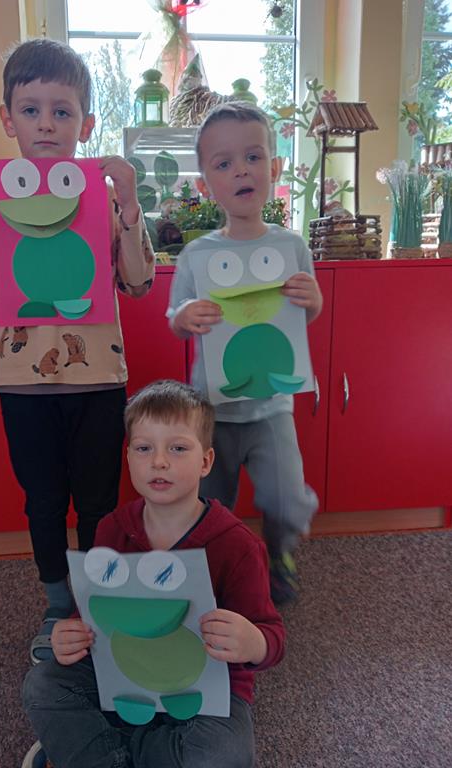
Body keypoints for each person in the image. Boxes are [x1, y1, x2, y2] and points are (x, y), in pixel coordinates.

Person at [0, 38, 155, 662]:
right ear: (8, 119)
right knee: (43, 500)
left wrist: (130, 205)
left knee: (98, 501)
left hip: (98, 381)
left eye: (62, 111)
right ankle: (59, 604)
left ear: (86, 124)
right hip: (22, 384)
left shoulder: (101, 195)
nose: (46, 124)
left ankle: (97, 600)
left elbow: (138, 282)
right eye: (31, 110)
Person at [22, 379, 285, 768]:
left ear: (206, 461)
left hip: (204, 693)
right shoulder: (112, 529)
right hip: (124, 675)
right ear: (128, 458)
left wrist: (253, 643)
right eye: (144, 448)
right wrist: (71, 634)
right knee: (43, 684)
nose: (159, 461)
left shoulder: (238, 545)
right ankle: (125, 749)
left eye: (177, 448)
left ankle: (106, 749)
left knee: (224, 755)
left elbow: (272, 637)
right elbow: (93, 614)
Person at [167, 102, 322, 605]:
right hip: (211, 412)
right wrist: (186, 315)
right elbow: (175, 318)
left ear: (274, 168)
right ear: (205, 183)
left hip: (272, 407)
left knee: (287, 499)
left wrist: (313, 300)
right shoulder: (198, 255)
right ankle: (222, 571)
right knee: (213, 504)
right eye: (224, 163)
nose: (241, 171)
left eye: (253, 157)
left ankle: (280, 553)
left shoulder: (292, 247)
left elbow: (302, 316)